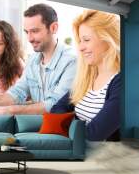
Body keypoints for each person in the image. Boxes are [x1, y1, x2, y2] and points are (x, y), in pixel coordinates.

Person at [0, 3, 76, 115]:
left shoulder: (71, 61)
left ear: (53, 28)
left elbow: (54, 104)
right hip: (36, 125)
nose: (29, 38)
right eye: (26, 32)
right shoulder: (33, 60)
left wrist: (9, 110)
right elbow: (17, 92)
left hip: (59, 127)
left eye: (34, 31)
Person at [51, 10, 121, 141]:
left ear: (108, 39)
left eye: (86, 40)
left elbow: (93, 135)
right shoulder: (87, 78)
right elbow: (57, 109)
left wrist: (66, 125)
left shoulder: (121, 83)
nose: (81, 47)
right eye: (80, 41)